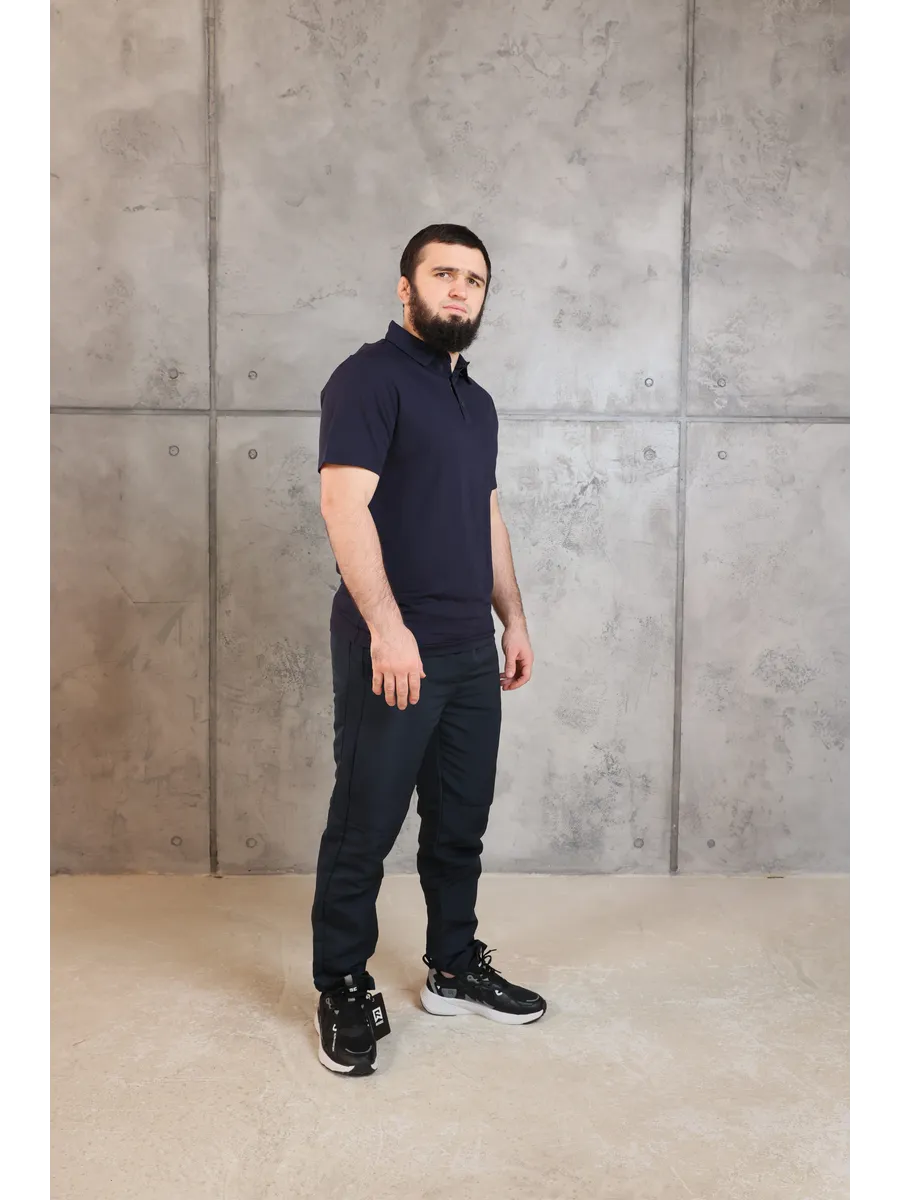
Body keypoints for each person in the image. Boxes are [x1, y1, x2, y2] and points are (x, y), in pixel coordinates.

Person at [312, 223, 547, 1076]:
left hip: (467, 650)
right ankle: (341, 983)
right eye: (443, 273)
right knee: (364, 829)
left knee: (459, 827)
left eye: (473, 280)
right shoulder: (368, 379)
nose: (459, 289)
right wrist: (388, 629)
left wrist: (512, 619)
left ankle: (452, 969)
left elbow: (486, 516)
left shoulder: (474, 403)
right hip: (394, 649)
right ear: (405, 287)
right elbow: (343, 506)